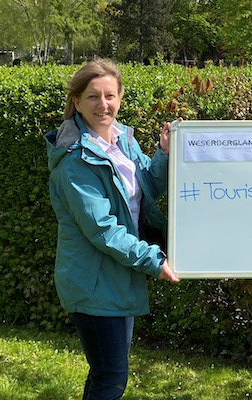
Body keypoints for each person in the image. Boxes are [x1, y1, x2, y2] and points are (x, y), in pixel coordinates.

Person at [44, 58, 180, 400]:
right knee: (112, 378)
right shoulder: (76, 161)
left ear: (119, 98)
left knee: (105, 374)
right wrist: (153, 260)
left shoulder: (123, 140)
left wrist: (162, 153)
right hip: (93, 282)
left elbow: (147, 184)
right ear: (76, 101)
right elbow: (103, 230)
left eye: (109, 96)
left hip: (117, 276)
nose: (102, 105)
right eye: (92, 97)